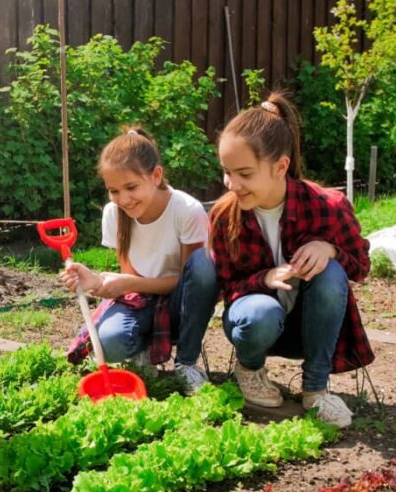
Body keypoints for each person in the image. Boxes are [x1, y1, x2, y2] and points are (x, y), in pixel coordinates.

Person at [210, 93, 374, 428]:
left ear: (280, 166)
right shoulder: (224, 216)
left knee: (330, 274)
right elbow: (227, 287)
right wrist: (265, 279)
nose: (232, 184)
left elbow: (360, 266)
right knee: (260, 312)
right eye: (227, 172)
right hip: (257, 324)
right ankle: (250, 370)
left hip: (309, 326)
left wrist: (330, 250)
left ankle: (316, 390)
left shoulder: (327, 206)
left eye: (244, 173)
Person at [62, 128, 218, 394]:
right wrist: (97, 281)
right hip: (143, 299)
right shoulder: (114, 213)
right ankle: (141, 351)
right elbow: (130, 282)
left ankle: (187, 363)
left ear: (156, 176)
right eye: (114, 191)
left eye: (131, 187)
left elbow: (192, 280)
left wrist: (127, 283)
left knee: (205, 264)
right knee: (108, 342)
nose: (123, 199)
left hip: (183, 303)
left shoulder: (186, 210)